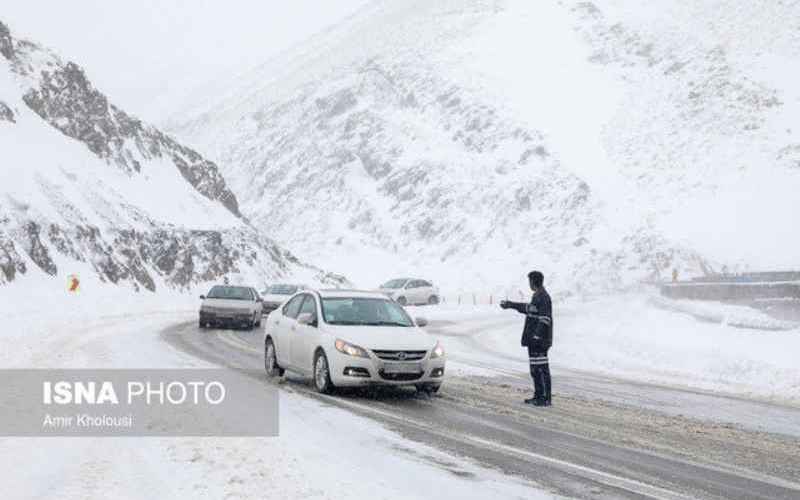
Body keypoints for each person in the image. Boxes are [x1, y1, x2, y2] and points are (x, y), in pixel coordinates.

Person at [500, 271, 553, 406]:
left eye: (530, 281)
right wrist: (511, 304)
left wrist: (537, 335)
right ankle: (538, 395)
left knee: (541, 369)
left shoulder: (544, 297)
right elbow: (528, 308)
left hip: (539, 341)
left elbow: (545, 319)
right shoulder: (537, 297)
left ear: (533, 282)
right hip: (534, 341)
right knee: (535, 370)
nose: (529, 284)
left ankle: (545, 398)